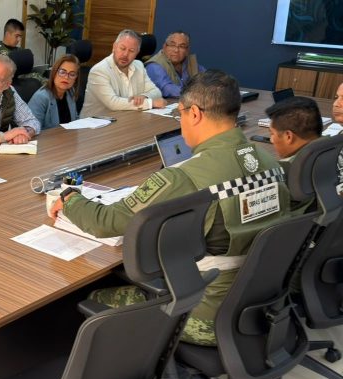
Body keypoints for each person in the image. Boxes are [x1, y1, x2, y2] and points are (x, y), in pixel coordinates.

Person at [49, 70, 291, 347]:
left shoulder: (184, 176)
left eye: (182, 113)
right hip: (260, 299)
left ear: (196, 114)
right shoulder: (270, 162)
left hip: (207, 314)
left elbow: (105, 221)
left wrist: (70, 199)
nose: (182, 120)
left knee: (95, 297)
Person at [80, 30, 166, 117]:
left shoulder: (139, 65)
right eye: (122, 48)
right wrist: (150, 103)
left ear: (137, 53)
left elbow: (156, 92)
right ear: (114, 47)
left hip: (124, 120)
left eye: (131, 51)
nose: (125, 54)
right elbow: (113, 103)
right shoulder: (99, 71)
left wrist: (144, 96)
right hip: (94, 126)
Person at [145, 31, 206, 98]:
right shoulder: (154, 65)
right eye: (172, 45)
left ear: (187, 50)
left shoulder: (189, 62)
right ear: (164, 47)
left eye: (182, 46)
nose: (176, 50)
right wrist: (195, 93)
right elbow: (167, 89)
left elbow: (207, 78)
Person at [28, 54, 79, 130]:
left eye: (72, 74)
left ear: (76, 78)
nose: (66, 77)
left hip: (68, 138)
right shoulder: (41, 97)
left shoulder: (70, 92)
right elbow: (32, 129)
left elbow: (75, 120)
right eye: (62, 72)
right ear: (54, 72)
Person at [265, 96, 323, 161]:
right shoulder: (333, 149)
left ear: (288, 136)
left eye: (272, 133)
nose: (271, 140)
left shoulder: (294, 169)